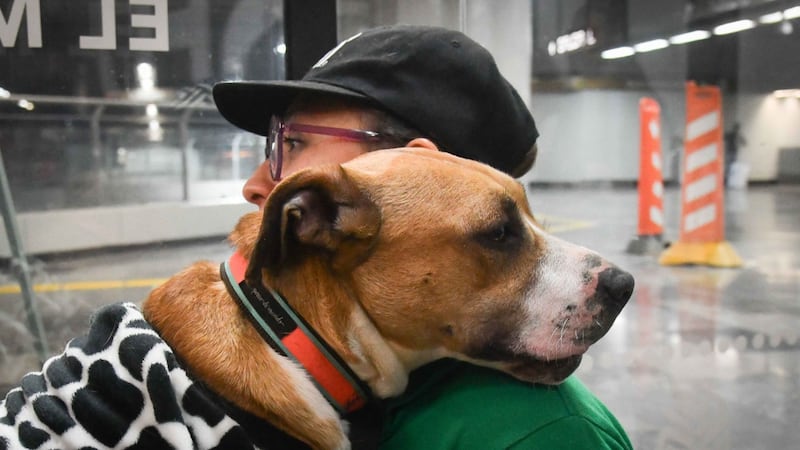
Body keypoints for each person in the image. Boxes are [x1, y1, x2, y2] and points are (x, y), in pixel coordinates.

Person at [213, 25, 632, 449]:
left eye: (295, 143)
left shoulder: (525, 432)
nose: (255, 182)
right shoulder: (347, 376)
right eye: (275, 142)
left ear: (411, 162)